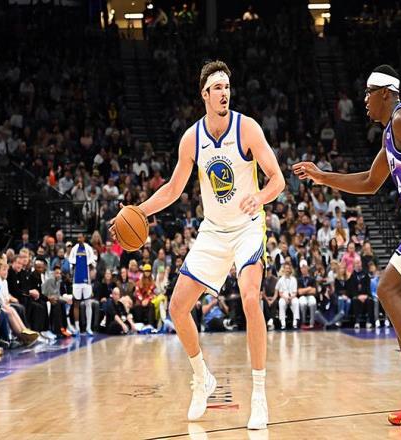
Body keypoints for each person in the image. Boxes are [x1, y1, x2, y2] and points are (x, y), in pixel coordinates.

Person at [110, 60, 284, 429]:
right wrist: (137, 212)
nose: (225, 93)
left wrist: (260, 198)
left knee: (250, 298)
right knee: (177, 307)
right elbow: (173, 189)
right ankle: (202, 376)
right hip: (214, 231)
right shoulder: (192, 138)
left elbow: (277, 179)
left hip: (248, 227)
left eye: (227, 87)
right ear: (204, 94)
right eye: (217, 87)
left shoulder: (247, 128)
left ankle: (259, 394)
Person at [293, 64, 401, 429]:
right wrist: (323, 177)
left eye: (368, 93)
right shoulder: (391, 134)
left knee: (387, 289)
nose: (364, 100)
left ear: (385, 93)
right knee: (399, 305)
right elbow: (370, 182)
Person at [68, 233, 96, 336]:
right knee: (76, 304)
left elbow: (92, 264)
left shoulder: (88, 249)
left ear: (84, 238)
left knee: (88, 303)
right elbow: (71, 264)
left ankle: (88, 328)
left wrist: (91, 273)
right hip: (76, 281)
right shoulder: (74, 249)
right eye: (77, 237)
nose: (78, 239)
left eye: (80, 237)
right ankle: (77, 328)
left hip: (86, 281)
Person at [276, 262, 299, 330]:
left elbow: (295, 292)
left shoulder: (294, 279)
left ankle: (295, 323)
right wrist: (285, 298)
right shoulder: (281, 280)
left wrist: (291, 298)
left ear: (290, 270)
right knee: (281, 302)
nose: (287, 270)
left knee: (296, 302)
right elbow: (280, 293)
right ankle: (283, 324)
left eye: (288, 268)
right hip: (284, 296)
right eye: (286, 268)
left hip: (292, 296)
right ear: (284, 270)